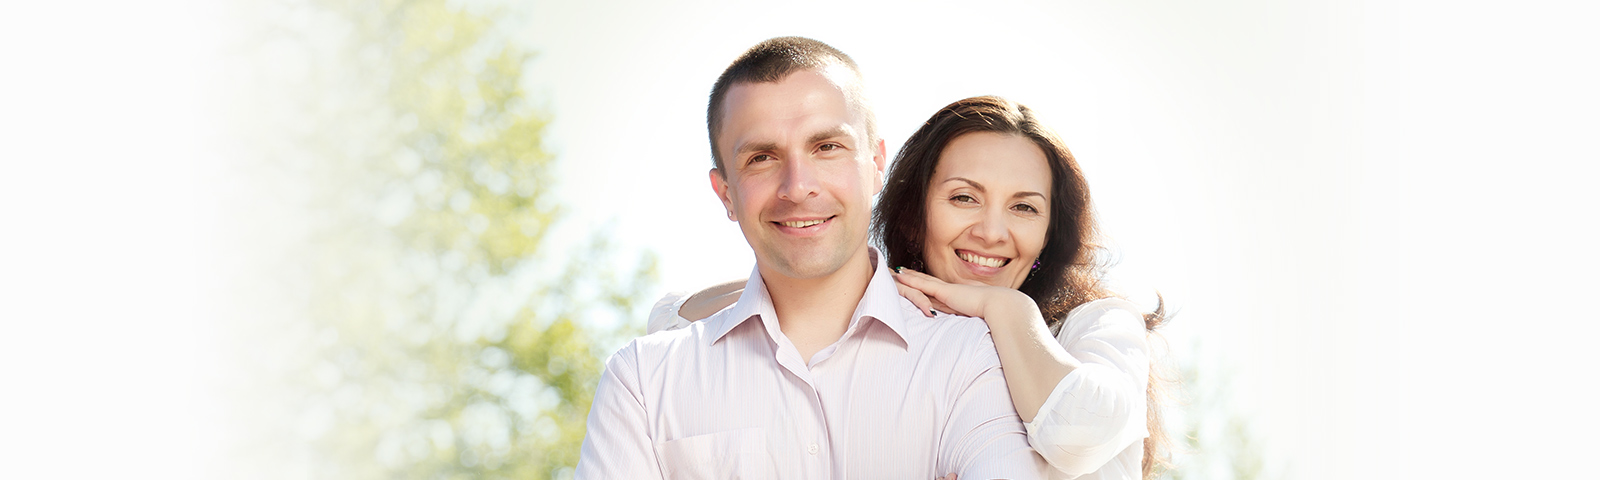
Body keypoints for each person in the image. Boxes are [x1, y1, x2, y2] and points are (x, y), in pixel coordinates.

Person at [575, 38, 1048, 480]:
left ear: (877, 163)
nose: (798, 186)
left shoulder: (970, 355)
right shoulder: (645, 379)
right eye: (761, 157)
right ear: (725, 194)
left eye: (827, 147)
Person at [653, 96, 1168, 480]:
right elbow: (671, 320)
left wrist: (1004, 309)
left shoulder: (1095, 325)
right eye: (964, 198)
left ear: (1051, 230)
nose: (992, 231)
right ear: (915, 211)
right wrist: (853, 286)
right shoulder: (886, 328)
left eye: (1024, 207)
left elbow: (1080, 433)